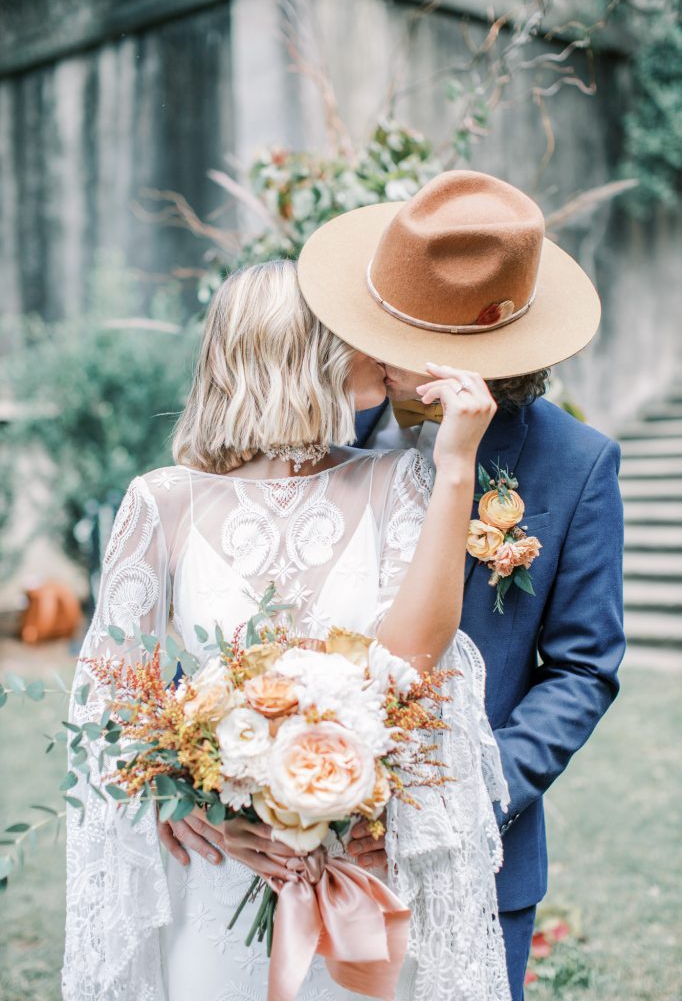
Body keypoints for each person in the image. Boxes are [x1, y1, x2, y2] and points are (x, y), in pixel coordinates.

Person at [62, 259, 511, 1001]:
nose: (381, 345)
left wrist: (456, 464)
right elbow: (109, 708)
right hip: (219, 876)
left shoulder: (398, 481)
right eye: (356, 330)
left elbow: (415, 661)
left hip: (362, 871)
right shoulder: (161, 503)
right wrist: (190, 805)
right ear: (306, 349)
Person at [296, 169, 627, 999]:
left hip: (479, 863)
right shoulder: (322, 427)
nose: (371, 346)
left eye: (398, 334)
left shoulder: (577, 465)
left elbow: (583, 668)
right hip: (308, 844)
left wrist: (466, 802)